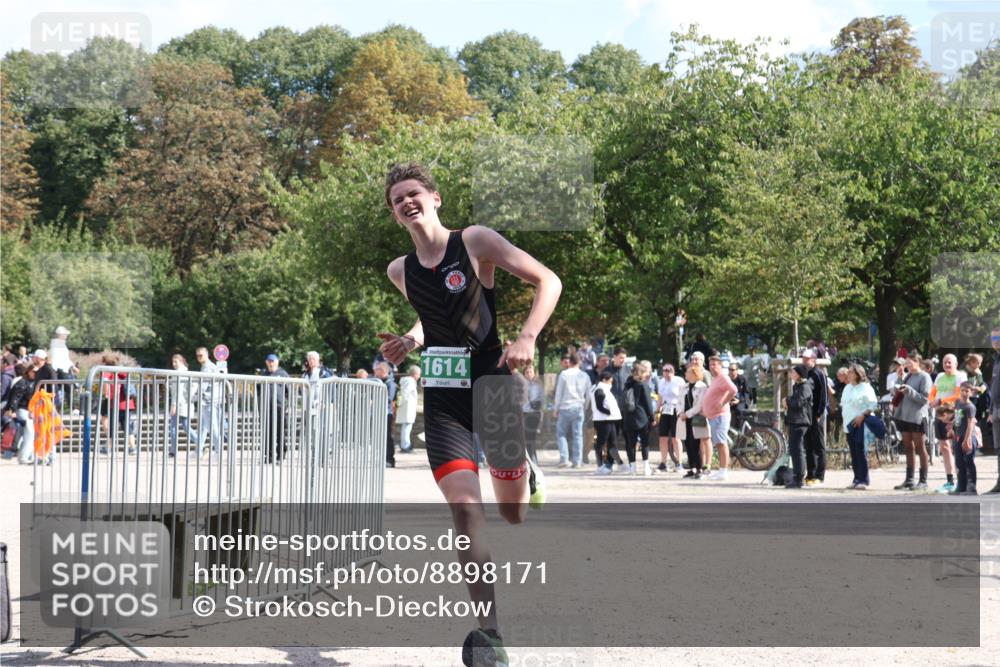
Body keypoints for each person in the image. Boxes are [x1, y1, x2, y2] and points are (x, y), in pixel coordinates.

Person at [375, 162, 560, 665]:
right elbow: (433, 314)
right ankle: (490, 633)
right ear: (394, 215)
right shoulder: (400, 270)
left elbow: (548, 280)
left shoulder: (474, 241)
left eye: (414, 193)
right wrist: (411, 339)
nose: (407, 202)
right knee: (465, 508)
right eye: (398, 199)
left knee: (513, 511)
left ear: (435, 198)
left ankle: (524, 470)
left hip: (493, 387)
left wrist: (527, 337)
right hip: (444, 399)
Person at [893, 352, 932, 491]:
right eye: (907, 363)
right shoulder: (907, 376)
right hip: (905, 415)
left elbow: (924, 399)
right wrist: (899, 380)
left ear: (917, 362)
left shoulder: (925, 377)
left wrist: (909, 390)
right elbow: (897, 393)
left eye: (910, 363)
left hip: (917, 417)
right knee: (908, 447)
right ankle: (909, 480)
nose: (907, 365)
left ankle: (923, 480)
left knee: (920, 447)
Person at [930, 353, 968, 493]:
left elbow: (958, 395)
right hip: (940, 415)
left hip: (955, 415)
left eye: (950, 362)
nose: (947, 365)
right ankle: (950, 481)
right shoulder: (939, 376)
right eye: (945, 362)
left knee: (958, 447)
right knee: (944, 447)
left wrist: (941, 401)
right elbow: (932, 393)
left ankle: (962, 480)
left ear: (956, 364)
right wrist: (932, 402)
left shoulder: (960, 376)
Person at [841, 364, 878, 489]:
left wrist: (862, 416)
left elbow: (873, 405)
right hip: (849, 424)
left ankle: (864, 480)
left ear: (858, 374)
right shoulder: (847, 387)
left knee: (861, 451)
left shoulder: (866, 387)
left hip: (862, 423)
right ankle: (856, 478)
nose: (848, 374)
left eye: (851, 372)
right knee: (854, 452)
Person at [702, 356, 738, 480]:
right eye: (710, 364)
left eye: (714, 364)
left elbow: (733, 390)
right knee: (718, 443)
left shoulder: (723, 377)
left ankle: (723, 471)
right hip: (713, 416)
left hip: (720, 416)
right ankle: (721, 470)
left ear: (720, 366)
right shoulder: (715, 379)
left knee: (721, 443)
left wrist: (723, 402)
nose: (712, 367)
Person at [553, 352, 591, 468]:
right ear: (579, 361)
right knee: (578, 435)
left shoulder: (564, 374)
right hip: (579, 407)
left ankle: (564, 458)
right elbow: (588, 394)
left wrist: (556, 408)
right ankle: (577, 461)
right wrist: (585, 407)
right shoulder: (585, 375)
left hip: (565, 407)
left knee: (561, 433)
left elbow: (559, 393)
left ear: (570, 361)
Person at [801, 349, 829, 486]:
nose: (804, 361)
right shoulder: (805, 372)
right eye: (803, 358)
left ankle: (820, 475)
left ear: (813, 359)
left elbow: (824, 395)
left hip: (817, 414)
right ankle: (810, 473)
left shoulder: (819, 373)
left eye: (807, 359)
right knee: (808, 444)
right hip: (807, 414)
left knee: (819, 445)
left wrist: (819, 413)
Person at [622, 362, 656, 476]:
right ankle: (646, 467)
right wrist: (652, 417)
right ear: (641, 373)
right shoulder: (642, 385)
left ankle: (632, 468)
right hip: (642, 416)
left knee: (631, 443)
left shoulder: (627, 383)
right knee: (644, 442)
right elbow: (647, 403)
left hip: (628, 416)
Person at [783, 364, 813, 488]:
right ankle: (797, 475)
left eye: (794, 372)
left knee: (798, 450)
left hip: (800, 422)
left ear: (800, 374)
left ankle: (799, 477)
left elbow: (797, 403)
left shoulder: (805, 387)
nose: (791, 374)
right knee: (794, 449)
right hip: (795, 421)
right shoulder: (798, 386)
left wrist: (787, 400)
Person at [677, 365, 709, 478]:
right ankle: (692, 468)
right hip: (683, 419)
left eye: (688, 372)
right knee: (687, 443)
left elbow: (700, 405)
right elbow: (679, 402)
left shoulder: (702, 387)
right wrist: (680, 413)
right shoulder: (683, 387)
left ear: (695, 374)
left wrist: (687, 414)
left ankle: (699, 469)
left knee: (695, 443)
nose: (686, 374)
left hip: (695, 418)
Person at [948, 382, 978, 495]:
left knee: (969, 462)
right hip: (958, 436)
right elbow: (957, 417)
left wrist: (967, 440)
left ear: (971, 392)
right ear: (959, 391)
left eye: (967, 391)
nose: (964, 393)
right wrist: (951, 426)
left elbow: (970, 424)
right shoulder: (957, 402)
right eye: (963, 390)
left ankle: (972, 488)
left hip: (968, 437)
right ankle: (961, 487)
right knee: (959, 463)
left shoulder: (970, 407)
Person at [592, 368, 624, 474]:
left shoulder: (605, 389)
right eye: (610, 380)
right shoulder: (599, 390)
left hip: (610, 420)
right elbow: (599, 406)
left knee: (613, 443)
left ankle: (620, 464)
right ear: (604, 380)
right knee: (601, 443)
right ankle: (600, 466)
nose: (611, 383)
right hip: (603, 420)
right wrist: (609, 412)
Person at [656, 363, 686, 472]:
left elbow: (683, 396)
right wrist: (657, 411)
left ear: (673, 372)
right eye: (665, 370)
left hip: (676, 409)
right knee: (662, 437)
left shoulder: (679, 381)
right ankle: (663, 463)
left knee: (675, 438)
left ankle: (679, 463)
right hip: (665, 409)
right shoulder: (661, 381)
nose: (667, 373)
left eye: (669, 370)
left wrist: (682, 411)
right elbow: (660, 397)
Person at [261, 353, 290, 463]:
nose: (271, 363)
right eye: (269, 361)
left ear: (277, 362)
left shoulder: (283, 374)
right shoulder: (263, 374)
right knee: (267, 433)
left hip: (280, 408)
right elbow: (258, 390)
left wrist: (289, 405)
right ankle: (268, 456)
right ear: (266, 362)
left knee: (280, 433)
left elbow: (290, 391)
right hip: (266, 408)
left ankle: (280, 456)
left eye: (272, 361)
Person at [7, 364, 39, 464]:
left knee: (26, 433)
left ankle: (27, 455)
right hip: (22, 409)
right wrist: (12, 410)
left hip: (31, 410)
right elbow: (15, 397)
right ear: (28, 371)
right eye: (33, 371)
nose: (35, 373)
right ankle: (23, 457)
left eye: (37, 372)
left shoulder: (36, 382)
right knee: (30, 432)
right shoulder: (23, 382)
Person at [167, 354, 198, 457]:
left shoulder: (178, 373)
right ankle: (200, 444)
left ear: (181, 361)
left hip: (179, 404)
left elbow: (178, 391)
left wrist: (174, 405)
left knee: (174, 427)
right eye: (173, 362)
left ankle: (173, 451)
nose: (174, 364)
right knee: (185, 426)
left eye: (176, 361)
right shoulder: (186, 372)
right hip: (185, 403)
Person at [373, 362, 397, 468]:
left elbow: (389, 398)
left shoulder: (390, 383)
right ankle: (384, 458)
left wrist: (374, 400)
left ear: (383, 371)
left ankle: (389, 459)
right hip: (380, 413)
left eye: (377, 370)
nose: (375, 372)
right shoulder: (381, 382)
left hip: (387, 413)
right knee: (381, 437)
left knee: (387, 437)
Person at [519, 365, 544, 464]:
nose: (529, 374)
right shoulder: (520, 385)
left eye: (531, 372)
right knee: (525, 436)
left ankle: (533, 457)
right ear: (524, 374)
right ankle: (529, 458)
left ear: (534, 373)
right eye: (527, 372)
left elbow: (542, 398)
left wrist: (541, 408)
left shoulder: (538, 385)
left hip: (535, 413)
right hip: (524, 413)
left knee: (532, 436)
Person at [987, 329, 1000, 494]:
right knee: (998, 448)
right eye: (993, 338)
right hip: (996, 410)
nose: (995, 340)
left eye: (998, 337)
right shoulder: (996, 359)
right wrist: (991, 410)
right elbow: (993, 388)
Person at [396, 365, 421, 454]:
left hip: (407, 408)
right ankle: (405, 446)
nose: (419, 377)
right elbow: (405, 394)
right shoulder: (410, 381)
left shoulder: (408, 381)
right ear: (415, 374)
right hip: (407, 408)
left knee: (406, 428)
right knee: (406, 428)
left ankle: (405, 445)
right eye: (418, 374)